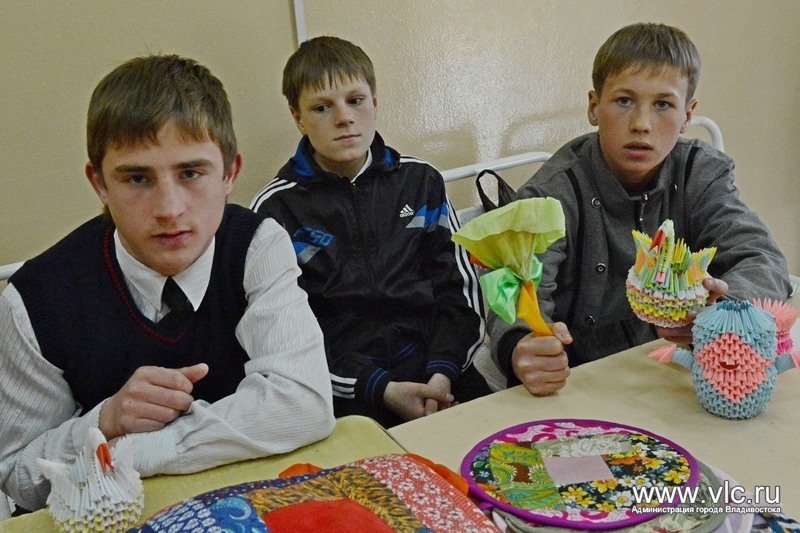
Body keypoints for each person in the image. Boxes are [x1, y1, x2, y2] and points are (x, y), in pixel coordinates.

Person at [0, 54, 335, 512]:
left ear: (230, 173)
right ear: (99, 184)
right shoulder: (34, 299)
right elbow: (17, 475)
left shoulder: (258, 245)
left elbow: (304, 404)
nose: (170, 209)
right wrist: (105, 419)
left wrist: (129, 450)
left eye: (191, 173)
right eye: (137, 178)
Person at [489, 23, 792, 396]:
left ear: (687, 116)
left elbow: (763, 258)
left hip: (677, 375)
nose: (641, 124)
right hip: (579, 383)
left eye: (663, 105)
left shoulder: (699, 173)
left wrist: (722, 312)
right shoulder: (549, 196)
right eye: (624, 101)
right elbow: (515, 295)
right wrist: (522, 347)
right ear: (594, 107)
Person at [250, 36, 490, 428]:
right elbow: (287, 338)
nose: (344, 118)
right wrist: (379, 388)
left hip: (440, 373)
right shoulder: (275, 210)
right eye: (322, 107)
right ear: (298, 118)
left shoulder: (422, 182)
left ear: (375, 103)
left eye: (356, 100)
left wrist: (443, 372)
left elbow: (460, 291)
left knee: (511, 453)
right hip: (345, 392)